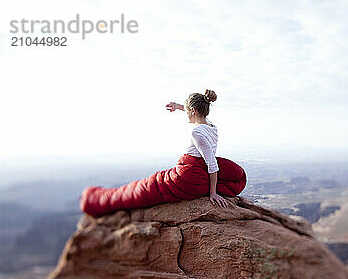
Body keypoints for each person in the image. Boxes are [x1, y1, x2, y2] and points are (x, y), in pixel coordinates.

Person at [79, 89, 247, 218]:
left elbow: (212, 164)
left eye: (188, 111)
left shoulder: (197, 133)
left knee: (143, 190)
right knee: (145, 187)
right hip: (196, 175)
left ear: (193, 110)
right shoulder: (211, 126)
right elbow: (197, 115)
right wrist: (179, 107)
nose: (186, 113)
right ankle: (97, 197)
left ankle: (94, 201)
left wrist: (213, 194)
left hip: (188, 178)